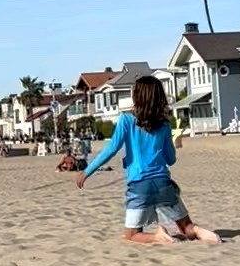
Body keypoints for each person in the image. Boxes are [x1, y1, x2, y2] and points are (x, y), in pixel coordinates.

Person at [76, 75, 220, 246]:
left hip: (139, 186)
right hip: (162, 183)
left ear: (137, 97)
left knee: (131, 235)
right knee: (186, 228)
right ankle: (197, 231)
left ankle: (158, 237)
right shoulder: (164, 125)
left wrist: (87, 171)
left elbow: (111, 149)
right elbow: (171, 160)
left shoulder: (126, 120)